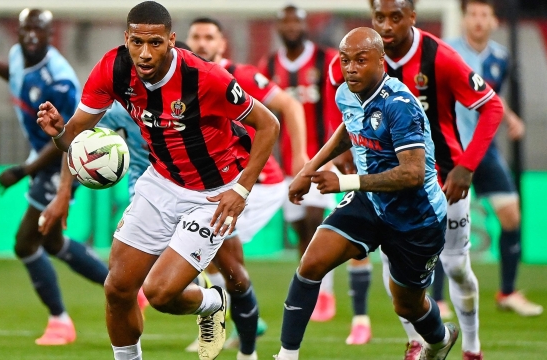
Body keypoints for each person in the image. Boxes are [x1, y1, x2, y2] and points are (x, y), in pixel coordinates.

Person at [35, 2, 280, 360]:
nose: (145, 53)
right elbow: (74, 137)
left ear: (171, 41)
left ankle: (214, 301)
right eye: (137, 42)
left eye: (155, 43)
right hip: (160, 182)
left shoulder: (206, 77)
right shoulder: (114, 68)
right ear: (126, 39)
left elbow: (269, 124)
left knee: (161, 294)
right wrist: (59, 135)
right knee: (117, 288)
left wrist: (240, 190)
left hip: (211, 196)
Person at [326, 1, 505, 359]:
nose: (387, 25)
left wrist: (467, 166)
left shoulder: (440, 57)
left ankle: (471, 347)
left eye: (396, 17)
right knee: (392, 264)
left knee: (456, 266)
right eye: (380, 17)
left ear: (412, 17)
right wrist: (342, 148)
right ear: (371, 17)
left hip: (442, 183)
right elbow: (343, 106)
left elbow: (492, 107)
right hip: (387, 186)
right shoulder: (349, 57)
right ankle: (415, 343)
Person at [274, 27, 458, 360]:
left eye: (361, 60)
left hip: (417, 217)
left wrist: (345, 182)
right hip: (370, 203)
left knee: (407, 303)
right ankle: (287, 355)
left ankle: (441, 337)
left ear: (381, 61)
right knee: (311, 263)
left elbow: (413, 174)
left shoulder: (400, 104)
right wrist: (308, 170)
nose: (351, 68)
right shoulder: (346, 93)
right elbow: (347, 129)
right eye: (346, 61)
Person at [0, 8, 111, 346]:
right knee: (52, 243)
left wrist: (23, 170)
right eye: (25, 29)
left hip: (59, 160)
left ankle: (60, 321)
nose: (30, 36)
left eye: (37, 30)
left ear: (50, 33)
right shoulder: (17, 55)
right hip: (40, 157)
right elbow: (14, 74)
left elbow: (68, 136)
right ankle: (124, 288)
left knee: (26, 241)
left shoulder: (60, 80)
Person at [185, 17, 308, 360]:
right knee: (207, 254)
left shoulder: (240, 75)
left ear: (222, 44)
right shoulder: (184, 79)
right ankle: (241, 320)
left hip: (259, 183)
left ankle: (233, 326)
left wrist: (298, 154)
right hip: (223, 184)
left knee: (208, 250)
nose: (202, 43)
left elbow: (290, 105)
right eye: (196, 37)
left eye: (210, 37)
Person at [433, 0, 542, 318]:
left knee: (511, 216)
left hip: (485, 151)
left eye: (484, 15)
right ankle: (437, 299)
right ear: (464, 19)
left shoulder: (500, 57)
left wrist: (510, 117)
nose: (478, 21)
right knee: (441, 221)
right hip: (452, 150)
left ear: (493, 21)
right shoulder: (445, 52)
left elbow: (490, 95)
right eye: (472, 15)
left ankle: (507, 292)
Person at [257, 4, 347, 324]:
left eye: (297, 20)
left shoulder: (326, 60)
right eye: (286, 21)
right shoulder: (268, 66)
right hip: (285, 165)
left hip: (322, 157)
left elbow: (341, 102)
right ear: (279, 27)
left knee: (314, 219)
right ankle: (309, 284)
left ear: (306, 25)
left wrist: (339, 153)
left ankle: (324, 290)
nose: (292, 26)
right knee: (300, 227)